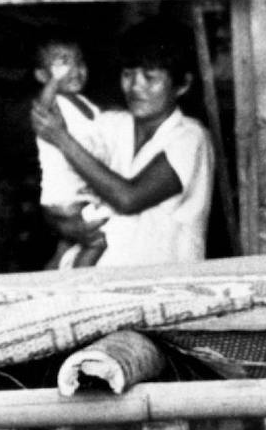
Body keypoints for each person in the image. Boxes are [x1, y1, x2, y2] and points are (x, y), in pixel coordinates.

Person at [31, 19, 213, 269]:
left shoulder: (190, 137)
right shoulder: (110, 124)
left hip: (157, 286)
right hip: (87, 282)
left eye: (150, 78)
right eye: (128, 75)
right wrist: (65, 225)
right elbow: (62, 189)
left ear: (182, 85)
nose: (135, 87)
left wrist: (62, 138)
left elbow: (129, 199)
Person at [32, 35, 115, 268]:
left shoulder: (88, 106)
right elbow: (42, 107)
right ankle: (77, 286)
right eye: (62, 63)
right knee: (97, 242)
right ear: (42, 76)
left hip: (82, 194)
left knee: (68, 245)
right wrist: (53, 83)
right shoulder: (54, 102)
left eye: (79, 62)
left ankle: (50, 280)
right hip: (65, 197)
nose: (75, 70)